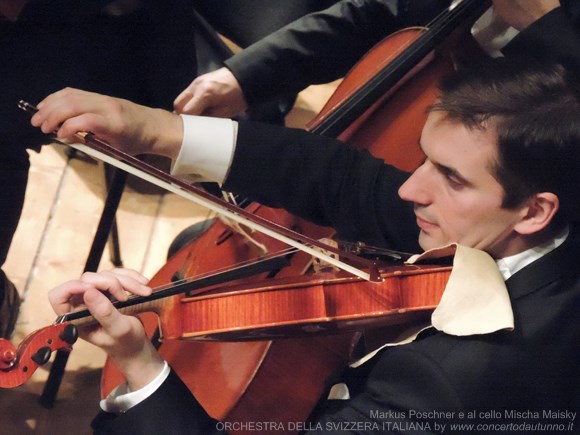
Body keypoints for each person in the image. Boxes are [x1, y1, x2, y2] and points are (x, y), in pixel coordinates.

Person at [32, 56, 580, 433]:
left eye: (451, 178)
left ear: (535, 211)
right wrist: (153, 129)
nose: (411, 188)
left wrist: (138, 360)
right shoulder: (531, 219)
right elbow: (344, 178)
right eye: (424, 159)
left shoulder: (451, 386)